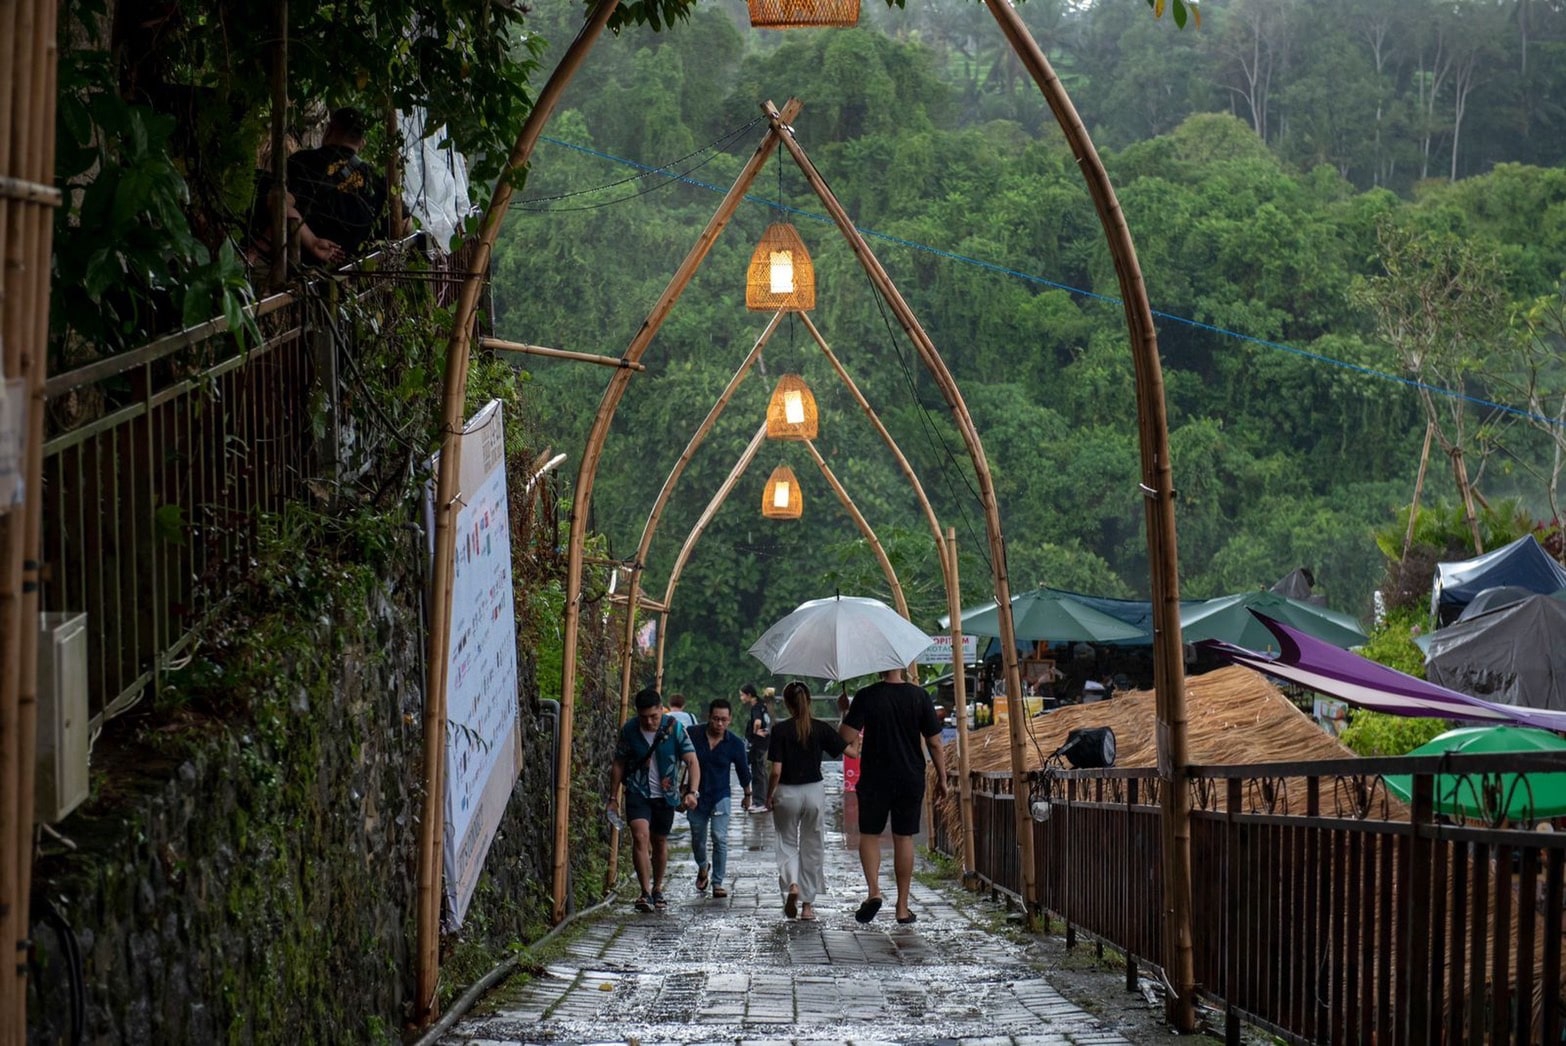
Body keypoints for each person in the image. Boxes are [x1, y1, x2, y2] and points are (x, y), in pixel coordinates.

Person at [839, 666, 948, 925]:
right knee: (904, 837)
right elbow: (934, 742)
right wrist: (942, 777)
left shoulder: (867, 696)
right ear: (901, 665)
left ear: (879, 666)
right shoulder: (919, 696)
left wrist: (845, 711)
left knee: (870, 834)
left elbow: (845, 737)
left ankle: (874, 891)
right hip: (910, 776)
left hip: (875, 776)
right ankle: (902, 907)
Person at [767, 680, 856, 921]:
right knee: (813, 846)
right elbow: (851, 751)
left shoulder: (780, 730)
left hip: (786, 792)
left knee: (786, 843)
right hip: (814, 792)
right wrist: (845, 713)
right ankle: (807, 906)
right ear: (809, 701)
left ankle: (793, 884)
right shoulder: (820, 728)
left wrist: (768, 795)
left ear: (787, 703)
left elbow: (776, 770)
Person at [607, 687, 699, 913]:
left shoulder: (674, 728)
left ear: (661, 709)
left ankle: (658, 888)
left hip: (665, 795)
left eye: (654, 716)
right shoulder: (629, 730)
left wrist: (692, 792)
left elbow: (692, 761)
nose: (649, 722)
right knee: (640, 836)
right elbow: (619, 762)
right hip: (638, 792)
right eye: (644, 717)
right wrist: (613, 796)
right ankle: (645, 891)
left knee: (659, 841)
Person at [285, 106, 386, 265]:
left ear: (328, 130)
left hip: (303, 272)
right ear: (362, 142)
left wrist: (312, 241)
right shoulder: (377, 179)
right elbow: (404, 224)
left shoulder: (301, 162)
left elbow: (279, 204)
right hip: (357, 276)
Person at [686, 698, 751, 899]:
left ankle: (717, 882)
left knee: (719, 837)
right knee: (697, 837)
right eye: (716, 719)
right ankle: (703, 865)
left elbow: (743, 771)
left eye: (724, 720)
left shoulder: (735, 743)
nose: (719, 724)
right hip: (696, 794)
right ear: (709, 717)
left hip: (721, 794)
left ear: (730, 719)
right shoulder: (693, 734)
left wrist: (748, 794)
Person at [741, 682, 771, 811]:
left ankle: (759, 802)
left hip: (758, 743)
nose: (741, 698)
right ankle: (766, 799)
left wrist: (755, 732)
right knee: (762, 771)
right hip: (765, 742)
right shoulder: (763, 705)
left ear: (749, 695)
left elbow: (758, 722)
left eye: (742, 695)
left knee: (757, 772)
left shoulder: (756, 707)